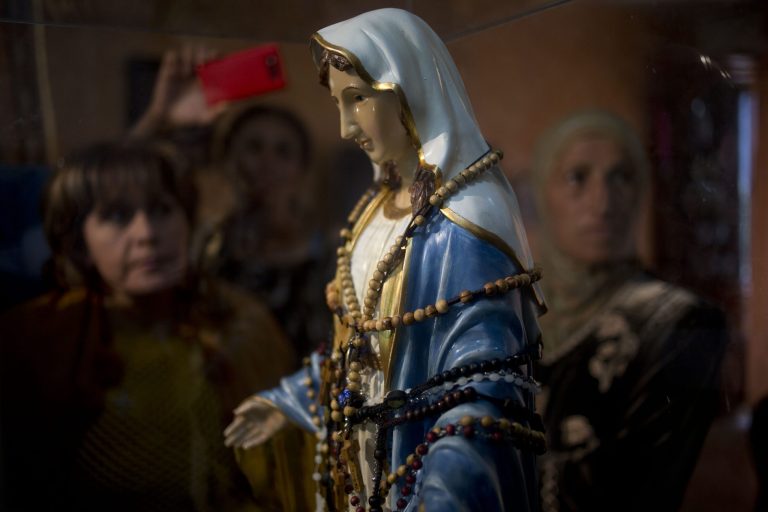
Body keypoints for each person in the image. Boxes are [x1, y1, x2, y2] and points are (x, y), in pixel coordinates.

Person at [225, 8, 546, 512]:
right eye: (337, 103)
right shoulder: (374, 210)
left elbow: (482, 385)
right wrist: (293, 401)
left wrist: (444, 489)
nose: (345, 128)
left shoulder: (465, 221)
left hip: (430, 475)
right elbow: (358, 350)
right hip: (365, 470)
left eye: (356, 100)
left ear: (406, 90)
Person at [0, 141, 296, 511]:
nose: (147, 234)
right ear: (78, 245)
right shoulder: (37, 339)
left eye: (161, 210)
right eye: (118, 216)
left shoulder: (239, 322)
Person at [531, 111, 728, 512]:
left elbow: (633, 488)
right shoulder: (512, 315)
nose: (602, 203)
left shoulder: (677, 322)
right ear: (541, 195)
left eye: (621, 177)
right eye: (577, 178)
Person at [200, 103, 333, 359]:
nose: (267, 163)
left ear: (301, 169)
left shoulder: (329, 249)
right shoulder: (208, 242)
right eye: (254, 148)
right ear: (229, 159)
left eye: (283, 152)